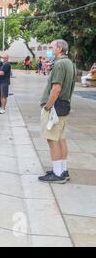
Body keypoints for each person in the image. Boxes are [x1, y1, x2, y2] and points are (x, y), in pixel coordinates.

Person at [38, 39, 77, 184]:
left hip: (55, 107)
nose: (50, 49)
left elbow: (56, 88)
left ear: (59, 48)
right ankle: (62, 170)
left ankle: (57, 174)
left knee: (52, 139)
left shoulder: (60, 64)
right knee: (60, 139)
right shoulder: (70, 63)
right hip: (64, 105)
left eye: (51, 47)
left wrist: (47, 106)